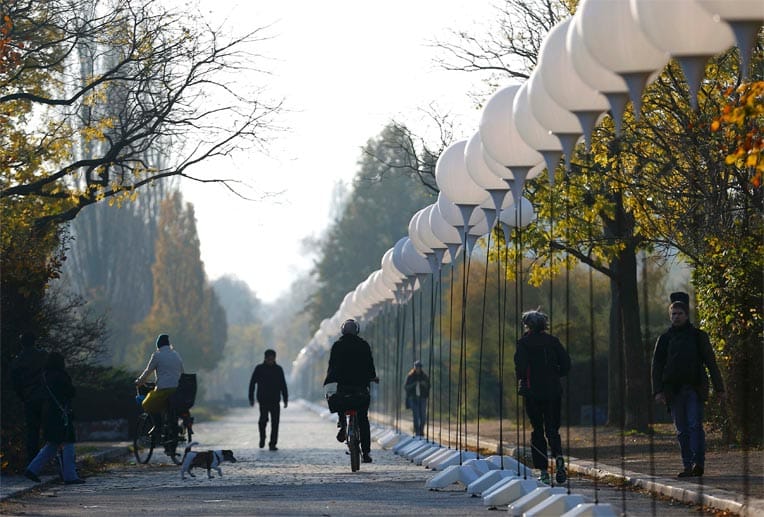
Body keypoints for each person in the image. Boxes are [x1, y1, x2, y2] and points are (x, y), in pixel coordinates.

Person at [651, 292, 725, 479]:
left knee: (694, 426)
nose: (676, 317)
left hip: (694, 388)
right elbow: (657, 366)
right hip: (673, 391)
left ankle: (698, 463)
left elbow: (710, 362)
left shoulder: (698, 336)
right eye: (673, 314)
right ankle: (687, 464)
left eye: (679, 314)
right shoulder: (665, 338)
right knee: (682, 430)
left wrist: (719, 388)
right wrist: (657, 391)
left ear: (686, 315)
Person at [514, 309, 571, 485]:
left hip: (532, 393)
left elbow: (521, 368)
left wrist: (524, 380)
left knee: (537, 430)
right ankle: (559, 459)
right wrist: (554, 375)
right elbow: (567, 365)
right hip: (553, 392)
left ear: (527, 325)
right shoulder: (553, 342)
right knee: (553, 429)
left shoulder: (524, 343)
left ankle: (544, 471)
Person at [24, 352, 85, 485]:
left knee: (52, 444)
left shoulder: (44, 376)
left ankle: (32, 469)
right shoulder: (61, 376)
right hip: (62, 413)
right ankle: (70, 475)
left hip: (48, 413)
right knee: (68, 443)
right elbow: (71, 392)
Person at [324, 319, 379, 464]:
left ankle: (342, 424)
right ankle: (366, 452)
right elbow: (369, 364)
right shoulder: (363, 345)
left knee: (341, 402)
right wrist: (372, 377)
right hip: (361, 388)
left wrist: (330, 379)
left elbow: (332, 366)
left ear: (343, 331)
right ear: (357, 330)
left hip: (344, 387)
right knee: (363, 418)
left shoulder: (337, 345)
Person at [135, 334, 184, 444]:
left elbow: (148, 371)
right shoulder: (176, 355)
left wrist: (139, 382)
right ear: (168, 344)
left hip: (163, 390)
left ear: (158, 345)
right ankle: (173, 429)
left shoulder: (157, 355)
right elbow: (182, 372)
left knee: (147, 403)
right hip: (177, 390)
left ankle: (157, 426)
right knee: (171, 410)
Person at [10, 332, 48, 464]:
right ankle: (51, 459)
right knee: (50, 429)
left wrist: (22, 396)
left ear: (21, 343)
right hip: (45, 396)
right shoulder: (43, 355)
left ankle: (33, 463)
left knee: (32, 431)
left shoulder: (18, 360)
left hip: (29, 397)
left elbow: (15, 382)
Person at [248, 349, 288, 451]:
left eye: (272, 358)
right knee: (263, 420)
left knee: (275, 423)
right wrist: (251, 398)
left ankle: (272, 443)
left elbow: (283, 385)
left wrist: (285, 398)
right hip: (263, 400)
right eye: (268, 358)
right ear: (265, 358)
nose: (270, 360)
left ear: (275, 358)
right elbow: (252, 383)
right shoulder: (259, 369)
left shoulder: (278, 369)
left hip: (275, 400)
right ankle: (262, 437)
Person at [404, 360, 430, 437]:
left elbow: (428, 386)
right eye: (416, 367)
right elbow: (406, 387)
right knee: (416, 415)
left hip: (422, 398)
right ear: (414, 367)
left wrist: (423, 384)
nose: (418, 368)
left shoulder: (424, 376)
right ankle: (417, 431)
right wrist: (414, 384)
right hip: (413, 398)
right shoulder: (410, 376)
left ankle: (421, 431)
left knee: (423, 416)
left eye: (419, 367)